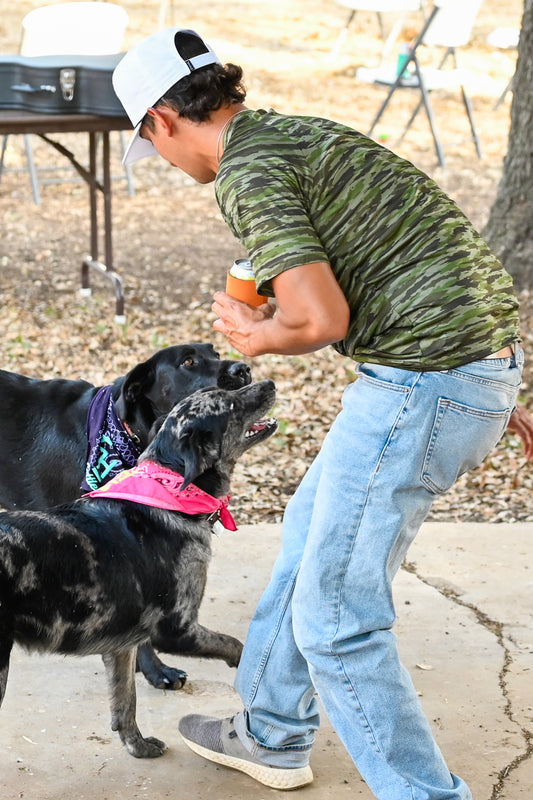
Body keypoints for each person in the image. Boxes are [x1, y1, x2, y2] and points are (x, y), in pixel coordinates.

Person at [113, 28, 525, 800]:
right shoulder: (298, 133)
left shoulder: (246, 173)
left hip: (421, 384)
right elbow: (426, 241)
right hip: (455, 370)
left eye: (149, 142)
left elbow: (319, 318)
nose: (163, 161)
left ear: (162, 120)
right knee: (308, 545)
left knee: (336, 618)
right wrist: (491, 378)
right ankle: (269, 732)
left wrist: (255, 335)